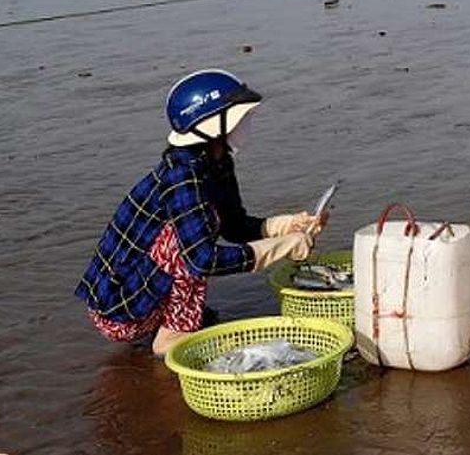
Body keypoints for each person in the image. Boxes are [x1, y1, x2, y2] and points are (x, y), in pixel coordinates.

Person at [76, 70, 324, 356]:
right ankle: (169, 340)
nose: (246, 125)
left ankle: (171, 319)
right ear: (211, 125)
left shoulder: (217, 164)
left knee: (200, 233)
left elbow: (235, 226)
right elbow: (201, 260)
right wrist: (279, 248)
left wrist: (286, 226)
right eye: (240, 118)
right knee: (188, 247)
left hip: (144, 289)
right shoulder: (183, 176)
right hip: (120, 310)